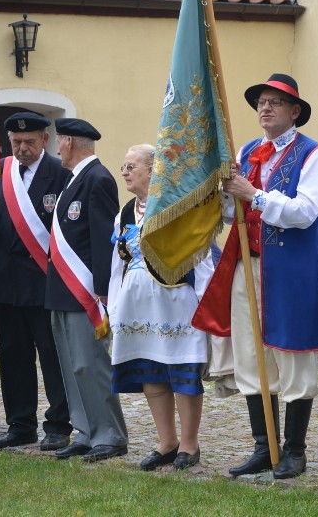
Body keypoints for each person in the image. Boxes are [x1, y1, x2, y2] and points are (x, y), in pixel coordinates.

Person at [194, 73, 318, 480]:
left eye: (275, 102)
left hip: (293, 269)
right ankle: (265, 447)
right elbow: (234, 213)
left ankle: (295, 450)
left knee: (293, 354)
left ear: (294, 112)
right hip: (248, 262)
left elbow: (305, 211)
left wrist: (253, 195)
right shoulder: (247, 151)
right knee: (250, 354)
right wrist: (224, 196)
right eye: (261, 101)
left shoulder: (313, 155)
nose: (265, 108)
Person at [109, 144, 213, 471]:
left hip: (176, 302)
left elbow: (203, 256)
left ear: (153, 171)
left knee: (181, 369)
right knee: (151, 370)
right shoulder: (126, 211)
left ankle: (189, 443)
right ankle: (167, 441)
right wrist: (114, 305)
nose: (124, 171)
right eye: (124, 166)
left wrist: (207, 305)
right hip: (137, 305)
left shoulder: (177, 205)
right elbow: (118, 262)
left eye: (131, 166)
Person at [44, 117, 128, 462]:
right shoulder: (74, 180)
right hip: (62, 291)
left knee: (91, 364)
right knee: (72, 366)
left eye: (59, 141)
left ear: (69, 142)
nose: (57, 148)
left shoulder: (98, 179)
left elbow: (101, 240)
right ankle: (86, 430)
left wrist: (103, 290)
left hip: (85, 294)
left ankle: (109, 434)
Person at [0, 112, 72, 451]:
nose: (22, 149)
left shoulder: (61, 175)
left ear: (45, 140)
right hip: (5, 281)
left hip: (43, 279)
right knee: (12, 355)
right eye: (16, 143)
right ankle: (20, 424)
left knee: (51, 355)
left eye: (29, 142)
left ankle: (58, 424)